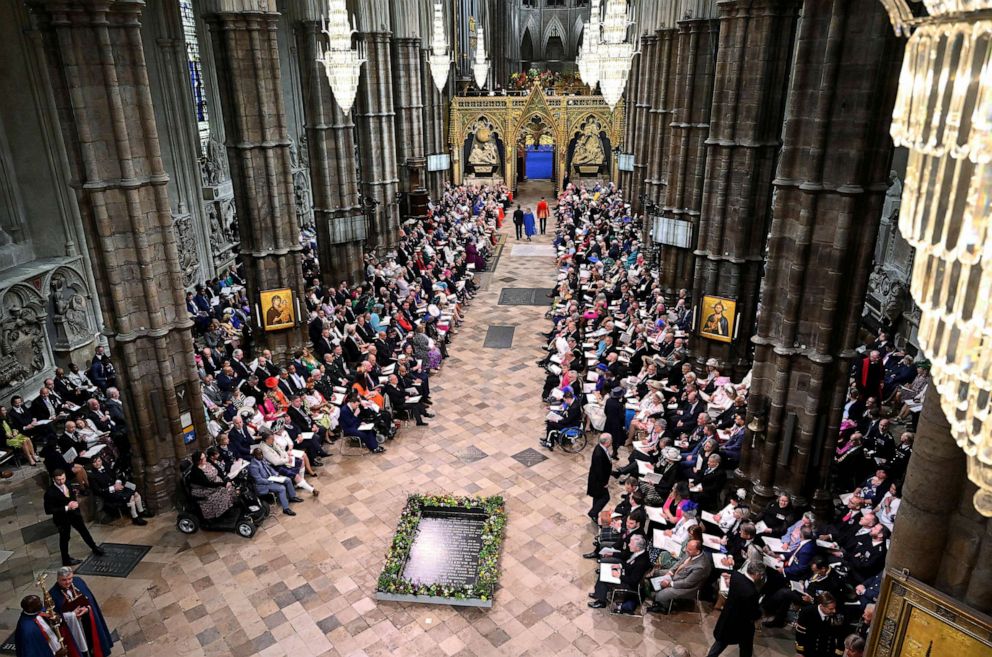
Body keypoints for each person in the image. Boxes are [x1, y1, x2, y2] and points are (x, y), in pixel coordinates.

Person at [43, 469, 104, 566]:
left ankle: (94, 547)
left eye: (63, 478)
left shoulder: (67, 484)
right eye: (58, 480)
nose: (61, 481)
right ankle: (66, 559)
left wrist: (74, 502)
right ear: (53, 479)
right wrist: (67, 507)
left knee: (84, 531)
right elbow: (48, 510)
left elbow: (71, 496)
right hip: (62, 518)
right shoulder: (50, 493)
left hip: (74, 514)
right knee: (64, 538)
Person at [48, 568, 114, 657]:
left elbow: (90, 599)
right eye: (64, 580)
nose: (68, 582)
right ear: (58, 579)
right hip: (72, 628)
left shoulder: (78, 582)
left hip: (86, 620)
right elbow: (55, 617)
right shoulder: (52, 594)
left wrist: (87, 608)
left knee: (91, 641)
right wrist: (72, 615)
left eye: (70, 578)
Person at [706, 561, 765, 657]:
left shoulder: (736, 576)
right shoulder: (751, 592)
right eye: (761, 575)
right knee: (745, 645)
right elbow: (752, 613)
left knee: (721, 642)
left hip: (727, 617)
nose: (761, 577)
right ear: (757, 574)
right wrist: (760, 613)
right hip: (741, 624)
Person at [587, 533, 651, 610]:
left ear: (638, 547)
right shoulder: (640, 552)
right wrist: (620, 566)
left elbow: (633, 581)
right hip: (625, 573)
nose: (629, 545)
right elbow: (630, 564)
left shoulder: (641, 563)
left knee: (604, 578)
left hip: (629, 584)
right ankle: (599, 593)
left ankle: (601, 601)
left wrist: (619, 576)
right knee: (604, 571)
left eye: (631, 544)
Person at [647, 539, 712, 613]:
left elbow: (687, 583)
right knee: (657, 573)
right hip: (679, 574)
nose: (686, 550)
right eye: (687, 547)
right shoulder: (690, 552)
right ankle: (658, 592)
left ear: (697, 552)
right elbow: (679, 562)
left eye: (689, 549)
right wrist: (671, 571)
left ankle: (664, 607)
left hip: (688, 587)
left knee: (661, 595)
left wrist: (670, 583)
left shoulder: (701, 566)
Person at [88, 455, 151, 525]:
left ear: (101, 461)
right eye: (94, 462)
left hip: (118, 487)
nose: (97, 463)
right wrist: (113, 488)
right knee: (131, 497)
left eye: (99, 461)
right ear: (92, 464)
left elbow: (116, 476)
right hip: (109, 494)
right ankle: (135, 518)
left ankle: (141, 512)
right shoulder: (92, 475)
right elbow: (98, 491)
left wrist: (118, 483)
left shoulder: (106, 467)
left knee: (135, 490)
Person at [248, 448, 302, 516]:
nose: (261, 456)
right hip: (264, 484)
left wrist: (276, 474)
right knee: (281, 488)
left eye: (261, 454)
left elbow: (270, 468)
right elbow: (258, 480)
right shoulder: (253, 466)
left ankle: (292, 497)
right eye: (259, 455)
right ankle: (286, 509)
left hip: (271, 478)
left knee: (287, 480)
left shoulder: (262, 459)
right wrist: (270, 481)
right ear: (254, 456)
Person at [187, 450, 238, 520]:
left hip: (216, 483)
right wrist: (223, 484)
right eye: (203, 458)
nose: (206, 458)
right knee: (222, 492)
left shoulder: (207, 463)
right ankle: (222, 513)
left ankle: (231, 505)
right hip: (202, 489)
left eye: (205, 457)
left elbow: (218, 470)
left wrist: (225, 480)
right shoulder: (196, 471)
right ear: (199, 461)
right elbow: (207, 484)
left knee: (230, 488)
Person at [795, 592, 846, 657]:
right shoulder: (807, 612)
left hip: (828, 652)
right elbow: (800, 634)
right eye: (831, 609)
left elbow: (841, 636)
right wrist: (800, 652)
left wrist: (838, 654)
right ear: (821, 606)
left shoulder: (838, 615)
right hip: (809, 651)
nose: (834, 611)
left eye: (834, 608)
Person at [587, 434, 613, 522]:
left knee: (597, 497)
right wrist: (604, 484)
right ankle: (593, 512)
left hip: (597, 480)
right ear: (607, 442)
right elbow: (599, 471)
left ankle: (595, 514)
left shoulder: (601, 448)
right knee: (606, 497)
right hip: (598, 481)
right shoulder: (599, 453)